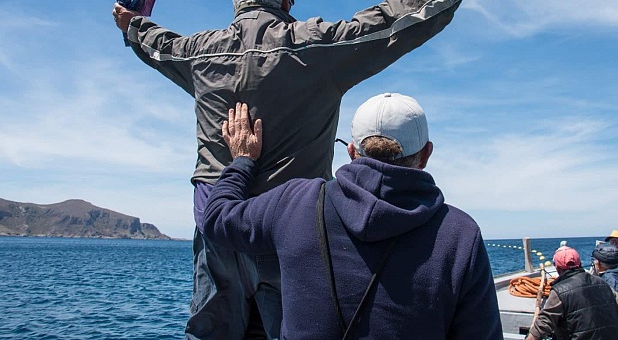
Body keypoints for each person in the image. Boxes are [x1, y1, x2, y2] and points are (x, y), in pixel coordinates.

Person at [112, 0, 491, 340]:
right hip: (289, 231)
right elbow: (389, 22)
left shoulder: (199, 53)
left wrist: (132, 23)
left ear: (236, 3)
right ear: (287, 0)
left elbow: (156, 43)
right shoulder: (315, 46)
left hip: (217, 227)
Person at [203, 94, 502, 339]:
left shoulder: (296, 202)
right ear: (426, 154)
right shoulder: (460, 234)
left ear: (351, 151)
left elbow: (216, 218)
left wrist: (242, 160)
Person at [526, 245, 618, 340]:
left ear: (557, 268)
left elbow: (543, 324)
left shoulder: (559, 292)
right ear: (579, 263)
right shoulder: (604, 284)